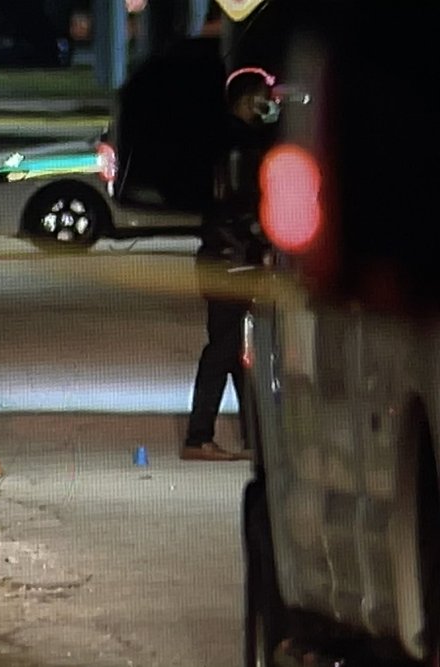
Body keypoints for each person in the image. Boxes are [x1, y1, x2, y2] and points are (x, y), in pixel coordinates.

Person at [181, 68, 280, 462]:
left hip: (229, 257)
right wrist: (260, 240)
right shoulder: (238, 149)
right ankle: (198, 437)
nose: (269, 105)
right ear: (244, 100)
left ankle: (255, 436)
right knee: (223, 349)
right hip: (232, 259)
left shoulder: (229, 142)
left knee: (237, 349)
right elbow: (239, 209)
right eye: (263, 97)